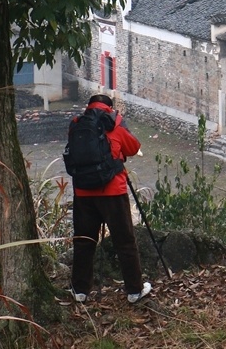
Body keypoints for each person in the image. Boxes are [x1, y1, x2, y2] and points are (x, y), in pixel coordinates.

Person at [69, 94, 152, 304]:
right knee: (125, 241)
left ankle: (80, 291)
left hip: (83, 193)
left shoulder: (77, 124)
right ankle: (134, 290)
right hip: (113, 193)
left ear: (89, 106)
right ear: (109, 107)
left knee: (84, 241)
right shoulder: (114, 123)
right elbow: (133, 147)